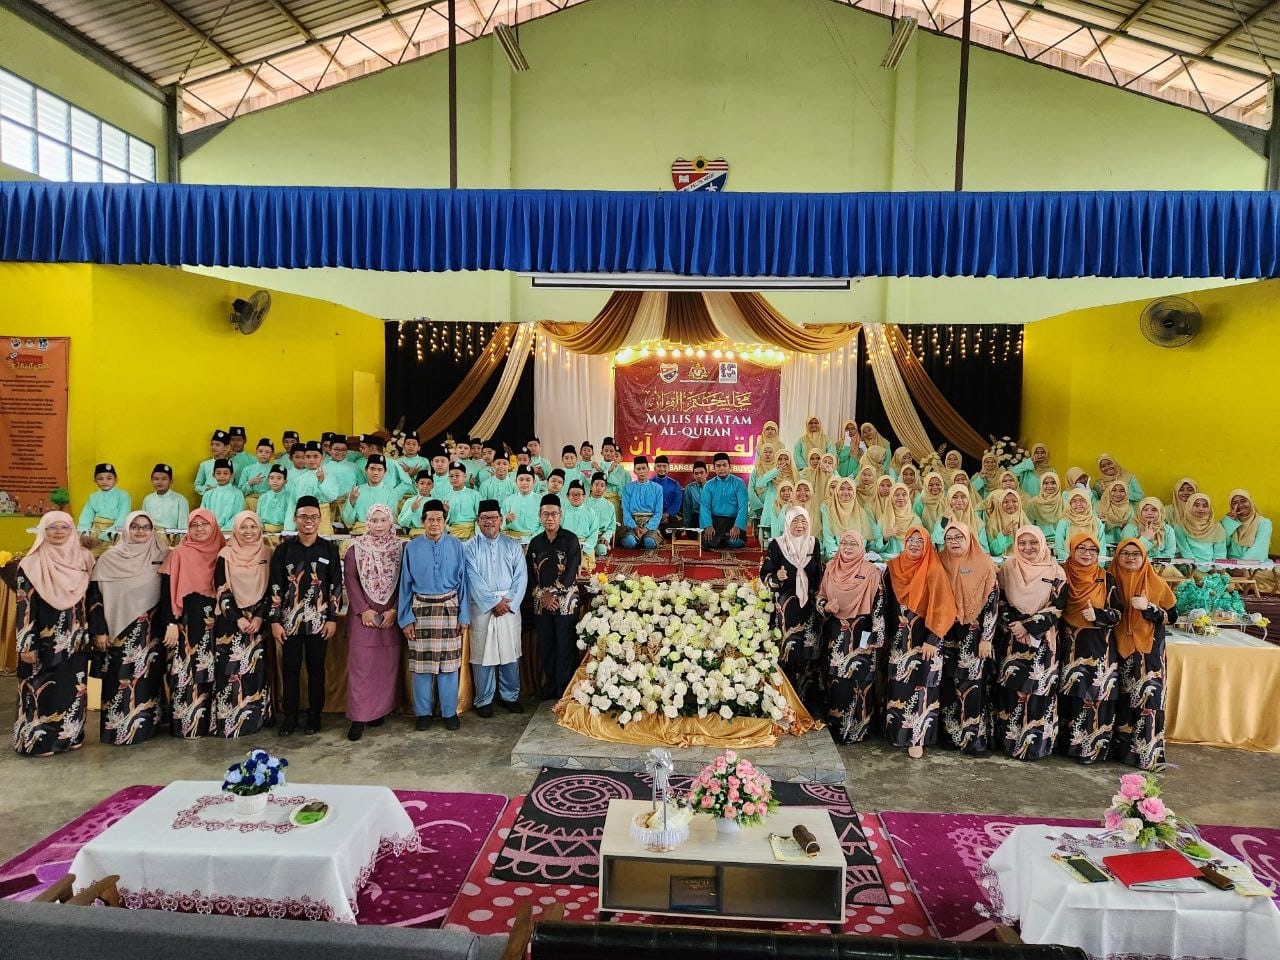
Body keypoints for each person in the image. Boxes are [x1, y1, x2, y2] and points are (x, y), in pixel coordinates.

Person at [14, 512, 95, 756]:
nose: (58, 532)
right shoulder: (31, 563)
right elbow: (24, 606)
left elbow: (92, 599)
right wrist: (26, 644)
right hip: (43, 639)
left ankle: (71, 736)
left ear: (72, 530)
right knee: (43, 690)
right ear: (43, 530)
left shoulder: (84, 559)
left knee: (73, 689)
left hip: (76, 639)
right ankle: (38, 742)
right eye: (52, 527)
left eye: (64, 527)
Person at [87, 510, 168, 746]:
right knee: (118, 680)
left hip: (150, 631)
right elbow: (94, 598)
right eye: (135, 526)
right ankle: (118, 730)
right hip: (117, 631)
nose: (141, 531)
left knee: (147, 679)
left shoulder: (162, 555)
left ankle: (147, 728)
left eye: (146, 527)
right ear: (126, 529)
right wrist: (99, 630)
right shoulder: (110, 558)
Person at [268, 496, 343, 736]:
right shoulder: (283, 550)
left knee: (316, 669)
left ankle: (314, 716)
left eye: (313, 517)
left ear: (320, 520)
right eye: (303, 516)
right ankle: (290, 717)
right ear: (295, 519)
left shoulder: (329, 549)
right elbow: (275, 586)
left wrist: (332, 618)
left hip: (319, 622)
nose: (308, 521)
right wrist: (275, 621)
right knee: (290, 669)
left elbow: (335, 585)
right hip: (289, 622)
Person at [883, 524, 956, 759]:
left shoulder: (933, 570)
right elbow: (885, 604)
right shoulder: (894, 567)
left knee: (922, 687)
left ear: (927, 545)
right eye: (910, 540)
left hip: (925, 640)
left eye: (920, 541)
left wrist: (933, 639)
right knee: (899, 686)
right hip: (900, 640)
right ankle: (897, 734)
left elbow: (943, 607)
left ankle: (917, 738)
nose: (914, 545)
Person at [994, 525, 1066, 762]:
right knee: (1012, 691)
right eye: (1022, 543)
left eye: (1033, 542)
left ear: (1042, 543)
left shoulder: (1055, 571)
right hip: (1012, 640)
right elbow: (1000, 601)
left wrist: (1029, 626)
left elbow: (1057, 607)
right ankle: (1011, 743)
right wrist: (1015, 625)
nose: (1027, 547)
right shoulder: (1008, 568)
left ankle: (1035, 746)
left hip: (1043, 640)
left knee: (1038, 691)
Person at [397, 500, 469, 731]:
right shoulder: (411, 547)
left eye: (439, 519)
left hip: (449, 609)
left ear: (445, 522)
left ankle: (449, 712)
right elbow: (405, 585)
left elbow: (464, 584)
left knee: (449, 665)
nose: (435, 523)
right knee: (422, 666)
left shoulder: (457, 545)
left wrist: (464, 616)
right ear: (422, 522)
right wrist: (405, 618)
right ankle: (423, 713)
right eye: (430, 519)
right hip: (421, 610)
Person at [1109, 538, 1177, 769]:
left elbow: (1172, 616)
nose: (1130, 558)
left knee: (1147, 700)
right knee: (1121, 702)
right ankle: (1120, 752)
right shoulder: (1109, 580)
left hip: (1147, 653)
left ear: (1144, 557)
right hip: (1115, 649)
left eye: (1135, 554)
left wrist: (1149, 607)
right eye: (1125, 553)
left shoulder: (1156, 582)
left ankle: (1147, 755)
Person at [159, 509, 226, 739]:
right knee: (188, 673)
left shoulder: (224, 551)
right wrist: (171, 622)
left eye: (204, 524)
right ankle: (189, 724)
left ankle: (214, 724)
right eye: (194, 525)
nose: (199, 529)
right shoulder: (179, 553)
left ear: (214, 526)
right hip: (188, 624)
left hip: (218, 624)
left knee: (215, 672)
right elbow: (167, 591)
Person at [1057, 533, 1123, 764]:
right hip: (1068, 644)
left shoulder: (1106, 578)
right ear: (1072, 550)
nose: (1086, 553)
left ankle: (1091, 749)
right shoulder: (1061, 573)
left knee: (1095, 695)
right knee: (1071, 694)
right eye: (1081, 548)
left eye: (1092, 549)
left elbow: (1119, 613)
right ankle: (1067, 746)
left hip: (1099, 646)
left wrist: (1099, 614)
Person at [815, 529, 885, 744]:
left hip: (863, 631)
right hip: (837, 633)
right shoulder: (830, 568)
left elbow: (879, 605)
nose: (847, 547)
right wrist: (826, 606)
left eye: (852, 544)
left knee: (860, 682)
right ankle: (838, 730)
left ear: (861, 547)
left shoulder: (871, 572)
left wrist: (877, 636)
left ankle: (858, 731)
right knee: (838, 681)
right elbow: (820, 596)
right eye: (844, 543)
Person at [937, 522, 999, 756]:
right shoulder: (941, 562)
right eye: (949, 538)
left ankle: (973, 740)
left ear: (969, 539)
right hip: (947, 634)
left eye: (958, 537)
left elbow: (992, 606)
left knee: (971, 686)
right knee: (949, 685)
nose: (953, 542)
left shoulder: (984, 565)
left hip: (974, 637)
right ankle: (952, 737)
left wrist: (987, 639)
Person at [343, 503, 402, 742]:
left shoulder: (400, 548)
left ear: (391, 522)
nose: (379, 525)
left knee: (385, 667)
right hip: (363, 618)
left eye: (383, 520)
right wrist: (363, 610)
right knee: (362, 667)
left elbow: (405, 582)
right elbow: (350, 581)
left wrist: (395, 609)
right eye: (374, 520)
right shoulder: (354, 550)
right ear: (367, 522)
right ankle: (359, 718)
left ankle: (378, 712)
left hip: (389, 616)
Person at [465, 500, 528, 718]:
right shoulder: (469, 547)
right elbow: (472, 578)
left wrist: (507, 602)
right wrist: (493, 603)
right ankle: (484, 699)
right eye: (485, 518)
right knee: (482, 655)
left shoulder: (513, 545)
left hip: (509, 607)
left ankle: (510, 696)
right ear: (478, 521)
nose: (489, 522)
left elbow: (521, 576)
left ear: (501, 520)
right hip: (482, 608)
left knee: (510, 653)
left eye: (493, 517)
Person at [212, 511, 273, 738]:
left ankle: (256, 719)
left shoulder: (268, 553)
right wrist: (237, 617)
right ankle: (230, 721)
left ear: (260, 529)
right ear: (235, 530)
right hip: (231, 623)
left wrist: (259, 617)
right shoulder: (225, 554)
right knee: (230, 672)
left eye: (253, 526)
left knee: (255, 671)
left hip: (258, 623)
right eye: (243, 527)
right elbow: (221, 587)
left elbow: (272, 589)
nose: (248, 531)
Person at [761, 506, 823, 712]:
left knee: (808, 651)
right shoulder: (777, 545)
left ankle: (805, 702)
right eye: (795, 521)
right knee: (788, 651)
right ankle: (784, 700)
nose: (799, 525)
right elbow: (765, 575)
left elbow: (819, 575)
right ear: (787, 523)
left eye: (803, 521)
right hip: (787, 609)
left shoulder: (813, 544)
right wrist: (776, 578)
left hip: (809, 610)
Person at [527, 494, 581, 700]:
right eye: (546, 514)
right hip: (542, 603)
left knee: (565, 646)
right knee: (546, 646)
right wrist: (544, 596)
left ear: (561, 515)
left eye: (554, 514)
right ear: (539, 516)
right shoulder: (535, 543)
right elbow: (530, 574)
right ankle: (550, 687)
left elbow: (572, 571)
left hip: (566, 602)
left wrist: (554, 595)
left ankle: (564, 689)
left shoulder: (571, 539)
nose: (550, 518)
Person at [821, 477, 880, 559]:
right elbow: (828, 538)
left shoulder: (861, 512)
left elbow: (863, 538)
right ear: (837, 491)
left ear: (854, 491)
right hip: (836, 555)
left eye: (849, 489)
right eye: (842, 489)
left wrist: (854, 554)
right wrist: (840, 556)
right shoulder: (829, 510)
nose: (845, 492)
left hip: (857, 555)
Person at [341, 453, 401, 534]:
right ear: (366, 470)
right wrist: (351, 501)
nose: (376, 472)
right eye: (372, 469)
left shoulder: (391, 493)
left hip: (382, 532)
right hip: (360, 530)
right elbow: (348, 521)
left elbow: (391, 519)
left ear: (385, 472)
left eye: (379, 469)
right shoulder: (356, 490)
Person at [699, 452, 749, 549]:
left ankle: (722, 540)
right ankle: (722, 540)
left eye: (724, 465)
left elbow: (743, 506)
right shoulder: (709, 485)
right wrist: (708, 525)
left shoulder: (739, 483)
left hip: (732, 521)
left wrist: (738, 526)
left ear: (730, 467)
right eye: (718, 466)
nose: (721, 468)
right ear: (714, 468)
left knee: (735, 542)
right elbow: (704, 507)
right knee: (706, 542)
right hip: (715, 521)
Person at [76, 463, 131, 547]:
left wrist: (104, 537)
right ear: (95, 481)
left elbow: (122, 520)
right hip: (95, 531)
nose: (105, 481)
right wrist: (85, 534)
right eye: (100, 479)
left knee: (114, 548)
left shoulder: (123, 495)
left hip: (115, 531)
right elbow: (85, 518)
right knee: (84, 548)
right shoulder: (93, 497)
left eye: (109, 478)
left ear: (116, 480)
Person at [620, 456, 663, 549]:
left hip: (650, 522)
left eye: (644, 468)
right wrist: (635, 527)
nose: (641, 471)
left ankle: (645, 538)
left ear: (648, 469)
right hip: (633, 523)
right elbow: (626, 513)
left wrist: (647, 528)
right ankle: (636, 539)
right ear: (634, 471)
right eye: (638, 469)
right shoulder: (627, 488)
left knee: (649, 542)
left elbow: (658, 513)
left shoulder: (657, 488)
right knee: (629, 542)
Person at [1172, 492, 1227, 564]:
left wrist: (1217, 567)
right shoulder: (1180, 527)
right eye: (1196, 505)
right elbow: (1185, 552)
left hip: (1213, 567)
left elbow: (1220, 553)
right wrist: (1200, 568)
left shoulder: (1216, 527)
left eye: (1205, 506)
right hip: (1189, 566)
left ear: (1210, 508)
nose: (1201, 509)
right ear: (1189, 506)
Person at [932, 485, 990, 552]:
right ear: (949, 499)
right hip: (948, 557)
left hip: (971, 556)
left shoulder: (977, 522)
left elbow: (985, 549)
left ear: (968, 499)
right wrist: (945, 520)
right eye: (955, 497)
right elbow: (936, 540)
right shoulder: (943, 519)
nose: (959, 500)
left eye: (963, 497)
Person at [1054, 489, 1107, 562]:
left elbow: (1102, 548)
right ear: (1069, 504)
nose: (1078, 504)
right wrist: (1073, 562)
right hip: (1070, 563)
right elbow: (1059, 548)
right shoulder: (1064, 522)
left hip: (1092, 564)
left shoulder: (1096, 522)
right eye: (1074, 501)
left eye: (1082, 500)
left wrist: (1096, 564)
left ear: (1088, 502)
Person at [1121, 497, 1177, 562]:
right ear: (1139, 512)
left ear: (1160, 512)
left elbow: (1169, 555)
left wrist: (1153, 563)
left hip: (1160, 566)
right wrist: (1145, 538)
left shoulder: (1168, 530)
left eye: (1154, 510)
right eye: (1145, 510)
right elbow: (1129, 554)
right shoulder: (1130, 528)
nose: (1149, 513)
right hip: (1134, 564)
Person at [1223, 489, 1272, 562]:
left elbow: (1260, 548)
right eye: (1234, 503)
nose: (1240, 505)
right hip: (1230, 564)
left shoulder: (1264, 523)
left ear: (1250, 502)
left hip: (1254, 564)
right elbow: (1222, 544)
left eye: (1243, 501)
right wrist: (1228, 522)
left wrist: (1241, 564)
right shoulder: (1228, 521)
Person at [437, 460, 481, 540]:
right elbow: (443, 520)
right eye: (451, 476)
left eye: (457, 475)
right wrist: (446, 512)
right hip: (453, 532)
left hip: (472, 532)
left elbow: (480, 516)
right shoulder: (446, 497)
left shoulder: (475, 495)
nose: (454, 478)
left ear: (464, 477)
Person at [141, 463, 189, 533]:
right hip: (150, 536)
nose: (159, 482)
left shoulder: (180, 500)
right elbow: (143, 522)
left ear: (171, 481)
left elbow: (183, 528)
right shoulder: (148, 499)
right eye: (156, 479)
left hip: (171, 537)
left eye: (164, 479)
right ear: (151, 480)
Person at [502, 466, 545, 545]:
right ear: (516, 481)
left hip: (534, 542)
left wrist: (531, 540)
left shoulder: (541, 501)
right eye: (521, 479)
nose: (524, 483)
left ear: (534, 481)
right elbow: (499, 523)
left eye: (528, 480)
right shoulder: (508, 500)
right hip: (511, 541)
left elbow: (544, 525)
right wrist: (506, 520)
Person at [201, 459, 246, 531]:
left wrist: (223, 529)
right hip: (209, 530)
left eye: (225, 473)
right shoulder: (208, 494)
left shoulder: (237, 494)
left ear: (231, 475)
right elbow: (202, 513)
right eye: (218, 473)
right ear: (213, 475)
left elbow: (237, 515)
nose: (222, 476)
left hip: (229, 532)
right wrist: (209, 528)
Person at [877, 482, 917, 558]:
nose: (901, 498)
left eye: (904, 495)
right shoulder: (883, 519)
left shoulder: (915, 519)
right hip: (889, 559)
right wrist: (885, 538)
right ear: (891, 498)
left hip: (911, 558)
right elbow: (875, 548)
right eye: (897, 495)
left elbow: (921, 543)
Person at [1024, 470, 1065, 546]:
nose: (1049, 486)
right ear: (1041, 485)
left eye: (1053, 483)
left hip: (1061, 542)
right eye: (1045, 483)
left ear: (1058, 484)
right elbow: (1030, 527)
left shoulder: (1064, 503)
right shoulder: (1033, 503)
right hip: (1039, 542)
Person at [986, 488, 1029, 557]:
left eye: (1014, 501)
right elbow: (992, 551)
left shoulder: (1024, 520)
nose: (1011, 505)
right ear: (1000, 504)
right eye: (1005, 502)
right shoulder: (992, 524)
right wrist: (1003, 534)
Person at [237, 438, 277, 509]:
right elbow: (240, 491)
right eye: (260, 451)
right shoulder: (247, 469)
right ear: (256, 452)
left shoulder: (275, 469)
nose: (263, 454)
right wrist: (249, 483)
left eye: (267, 452)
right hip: (249, 502)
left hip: (268, 502)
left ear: (272, 454)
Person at [587, 473, 618, 556]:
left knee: (601, 550)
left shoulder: (610, 506)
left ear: (605, 488)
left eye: (602, 485)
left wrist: (605, 536)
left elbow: (611, 527)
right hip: (586, 536)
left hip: (600, 536)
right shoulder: (583, 503)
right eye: (596, 485)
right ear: (591, 486)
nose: (599, 488)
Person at [597, 437, 628, 522]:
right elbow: (595, 482)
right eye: (606, 450)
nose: (608, 453)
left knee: (614, 524)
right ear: (601, 452)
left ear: (615, 453)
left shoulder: (620, 467)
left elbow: (616, 481)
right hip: (599, 500)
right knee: (599, 523)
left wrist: (603, 472)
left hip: (614, 501)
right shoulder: (597, 465)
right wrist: (608, 472)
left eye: (611, 451)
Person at [1098, 479, 1136, 549]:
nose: (1118, 494)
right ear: (1109, 491)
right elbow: (1094, 528)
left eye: (1122, 491)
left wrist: (1125, 526)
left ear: (1126, 492)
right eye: (1114, 490)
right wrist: (1100, 521)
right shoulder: (1100, 506)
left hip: (1124, 545)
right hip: (1102, 544)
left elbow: (1133, 528)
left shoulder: (1130, 508)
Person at [255, 464, 292, 533]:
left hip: (283, 531)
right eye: (272, 478)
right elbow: (258, 516)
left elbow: (291, 518)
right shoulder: (263, 497)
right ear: (268, 481)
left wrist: (286, 532)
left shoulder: (289, 498)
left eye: (279, 478)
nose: (275, 481)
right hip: (264, 531)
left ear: (285, 481)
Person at [652, 456, 684, 532]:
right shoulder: (649, 484)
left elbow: (677, 502)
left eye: (664, 466)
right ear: (654, 468)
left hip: (669, 515)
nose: (662, 469)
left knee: (676, 529)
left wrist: (667, 514)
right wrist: (658, 515)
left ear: (668, 468)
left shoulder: (675, 484)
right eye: (659, 466)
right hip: (652, 515)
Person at [398, 471, 436, 535]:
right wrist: (411, 510)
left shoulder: (437, 502)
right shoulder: (410, 501)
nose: (425, 486)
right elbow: (402, 523)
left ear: (432, 486)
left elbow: (443, 522)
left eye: (429, 484)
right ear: (416, 485)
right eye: (422, 483)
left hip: (433, 532)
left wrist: (446, 512)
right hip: (416, 532)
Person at [195, 430, 231, 496]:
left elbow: (238, 485)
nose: (213, 447)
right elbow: (197, 485)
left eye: (217, 445)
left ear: (226, 447)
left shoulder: (234, 465)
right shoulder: (205, 465)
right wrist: (206, 489)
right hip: (209, 497)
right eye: (212, 444)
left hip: (227, 498)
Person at [761, 481, 796, 548]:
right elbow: (778, 526)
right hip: (779, 537)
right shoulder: (776, 505)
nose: (787, 493)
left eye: (789, 490)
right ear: (779, 492)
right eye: (783, 490)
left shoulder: (796, 504)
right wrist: (786, 508)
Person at [681, 461, 708, 529]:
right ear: (693, 475)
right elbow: (687, 509)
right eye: (696, 473)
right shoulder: (689, 488)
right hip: (696, 518)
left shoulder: (713, 487)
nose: (699, 476)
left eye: (701, 473)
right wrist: (686, 526)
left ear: (706, 474)